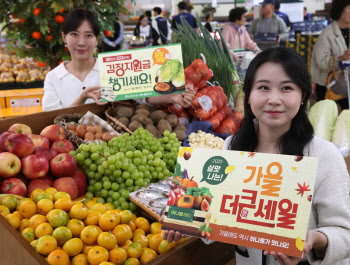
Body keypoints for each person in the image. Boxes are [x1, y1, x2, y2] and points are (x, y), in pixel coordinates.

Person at [162, 47, 350, 265]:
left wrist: (315, 239)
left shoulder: (324, 156)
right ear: (249, 95)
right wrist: (187, 221)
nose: (274, 99)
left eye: (287, 88)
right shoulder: (233, 146)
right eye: (263, 87)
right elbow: (221, 217)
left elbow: (345, 233)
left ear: (303, 97)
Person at [43, 9, 195, 111]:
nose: (81, 42)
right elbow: (50, 120)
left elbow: (143, 96)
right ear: (64, 37)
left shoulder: (113, 67)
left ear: (97, 40)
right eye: (74, 34)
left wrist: (174, 95)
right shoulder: (54, 77)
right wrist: (82, 98)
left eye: (88, 35)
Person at [310, 0, 350, 110]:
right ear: (340, 11)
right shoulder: (327, 34)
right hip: (329, 86)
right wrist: (341, 59)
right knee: (328, 117)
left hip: (347, 84)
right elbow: (321, 61)